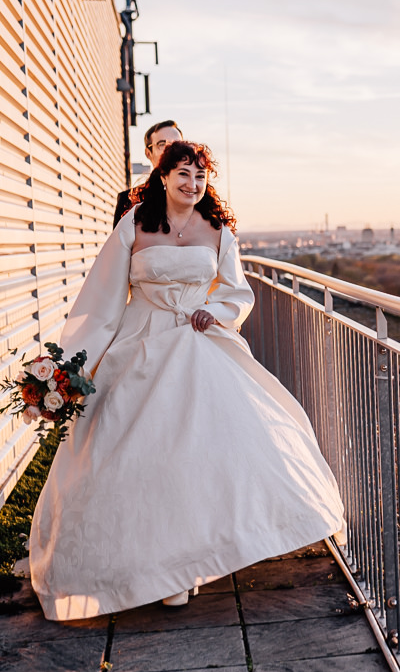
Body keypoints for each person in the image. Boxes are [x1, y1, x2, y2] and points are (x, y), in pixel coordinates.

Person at [27, 141, 346, 619]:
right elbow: (103, 302)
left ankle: (191, 563)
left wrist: (213, 310)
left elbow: (238, 292)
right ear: (162, 176)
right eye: (183, 174)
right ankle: (154, 569)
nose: (192, 185)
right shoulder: (134, 225)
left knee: (199, 455)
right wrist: (72, 367)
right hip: (141, 344)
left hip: (199, 343)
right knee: (138, 455)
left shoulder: (217, 229)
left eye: (200, 177)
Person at [113, 120, 183, 226]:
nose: (170, 150)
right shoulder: (128, 200)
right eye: (162, 144)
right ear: (148, 153)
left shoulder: (197, 195)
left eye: (177, 144)